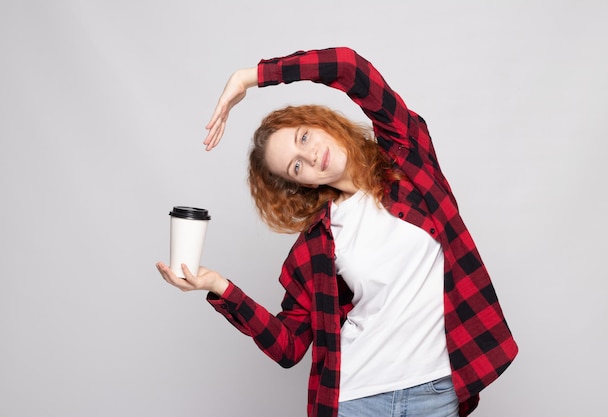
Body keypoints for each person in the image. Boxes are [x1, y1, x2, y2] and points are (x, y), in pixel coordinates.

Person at [156, 47, 518, 417]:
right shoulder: (317, 244)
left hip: (437, 393)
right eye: (296, 167)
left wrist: (249, 76)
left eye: (303, 138)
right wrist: (219, 287)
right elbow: (288, 347)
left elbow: (348, 66)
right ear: (302, 185)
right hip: (355, 400)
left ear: (320, 124)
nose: (311, 157)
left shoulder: (408, 159)